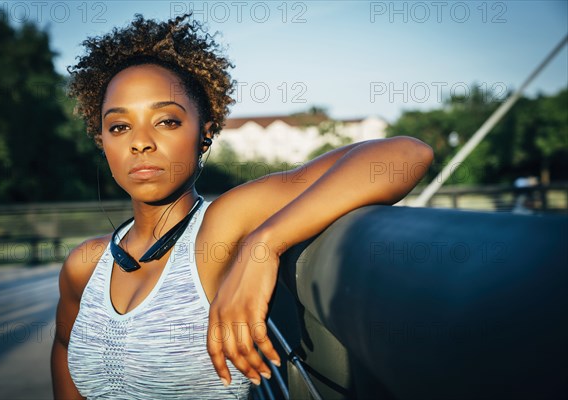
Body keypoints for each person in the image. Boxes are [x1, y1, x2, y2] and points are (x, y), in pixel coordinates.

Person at [50, 13, 434, 399]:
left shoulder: (222, 226)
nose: (140, 142)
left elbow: (405, 155)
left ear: (206, 134)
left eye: (166, 121)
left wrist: (262, 245)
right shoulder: (85, 265)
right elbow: (65, 347)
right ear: (102, 141)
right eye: (119, 126)